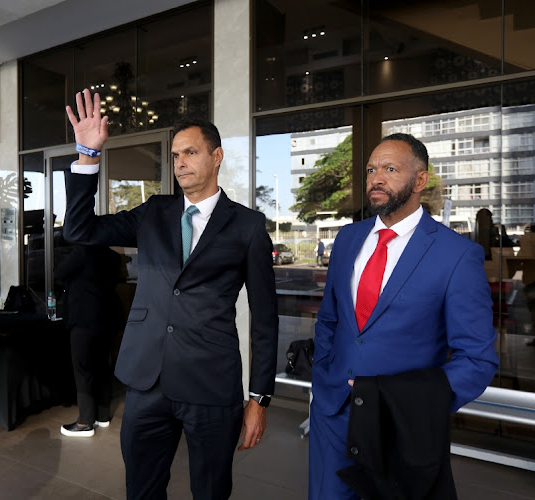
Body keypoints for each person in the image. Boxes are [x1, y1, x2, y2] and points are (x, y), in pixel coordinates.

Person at [63, 89, 278, 500]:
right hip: (147, 381)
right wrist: (88, 155)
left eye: (191, 152)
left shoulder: (248, 226)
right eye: (176, 155)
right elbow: (79, 230)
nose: (180, 162)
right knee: (141, 490)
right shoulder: (153, 212)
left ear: (216, 157)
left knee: (211, 491)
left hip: (211, 384)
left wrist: (259, 399)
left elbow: (265, 320)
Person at [309, 134, 498, 499]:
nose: (376, 179)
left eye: (390, 169)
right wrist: (324, 376)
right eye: (371, 170)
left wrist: (412, 404)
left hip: (400, 424)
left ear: (420, 181)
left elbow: (476, 359)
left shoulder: (457, 255)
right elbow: (330, 320)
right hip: (333, 414)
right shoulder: (348, 239)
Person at [56, 244, 125, 437]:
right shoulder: (113, 256)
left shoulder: (83, 252)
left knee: (83, 369)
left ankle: (85, 422)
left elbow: (59, 272)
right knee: (103, 366)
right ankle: (102, 416)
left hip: (84, 319)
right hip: (108, 318)